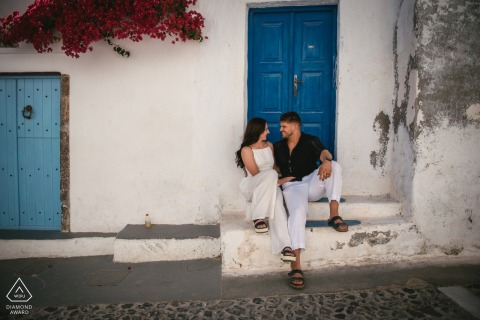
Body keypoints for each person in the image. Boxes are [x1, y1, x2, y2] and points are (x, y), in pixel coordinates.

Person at [273, 112, 348, 289]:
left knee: (335, 166)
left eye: (284, 126)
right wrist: (278, 179)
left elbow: (324, 152)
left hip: (311, 182)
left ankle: (334, 215)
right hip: (293, 186)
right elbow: (274, 168)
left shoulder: (310, 140)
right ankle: (296, 265)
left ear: (295, 127)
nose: (281, 129)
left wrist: (327, 162)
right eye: (281, 126)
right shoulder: (277, 146)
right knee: (298, 213)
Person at [235, 117, 296, 263]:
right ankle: (259, 216)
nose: (268, 132)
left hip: (272, 183)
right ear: (257, 131)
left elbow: (274, 168)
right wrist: (280, 180)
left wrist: (289, 173)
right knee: (270, 174)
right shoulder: (246, 150)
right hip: (254, 186)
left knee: (278, 204)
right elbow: (257, 174)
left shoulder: (269, 145)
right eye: (266, 129)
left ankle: (286, 246)